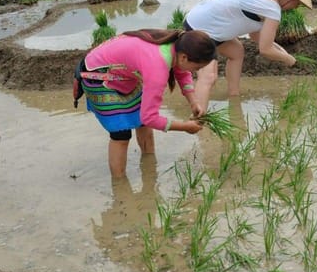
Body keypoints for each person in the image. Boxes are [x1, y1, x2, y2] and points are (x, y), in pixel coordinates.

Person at [77, 28, 217, 178]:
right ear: (184, 57)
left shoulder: (177, 44)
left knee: (142, 123)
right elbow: (149, 117)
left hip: (125, 74)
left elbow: (182, 72)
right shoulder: (157, 66)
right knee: (121, 134)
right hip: (98, 75)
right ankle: (120, 186)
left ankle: (149, 168)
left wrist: (194, 102)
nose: (196, 71)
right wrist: (184, 127)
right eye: (197, 68)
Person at [183, 0, 312, 110]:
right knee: (209, 76)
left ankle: (234, 97)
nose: (295, 8)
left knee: (236, 52)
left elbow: (256, 37)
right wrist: (288, 59)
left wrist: (281, 50)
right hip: (200, 29)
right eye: (298, 4)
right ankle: (197, 119)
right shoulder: (272, 8)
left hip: (205, 23)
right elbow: (265, 50)